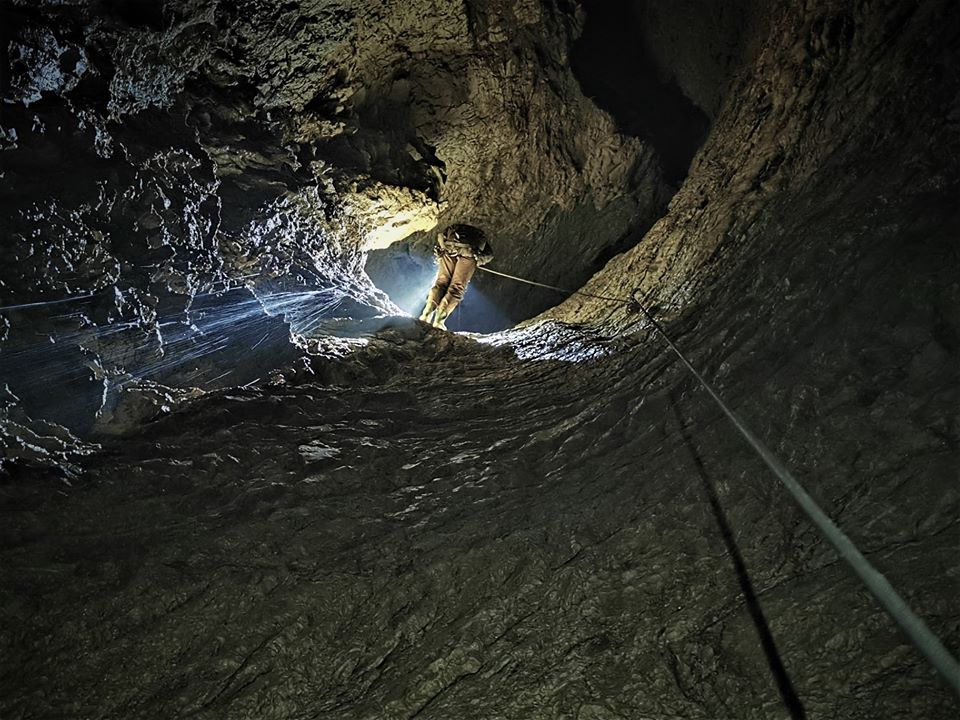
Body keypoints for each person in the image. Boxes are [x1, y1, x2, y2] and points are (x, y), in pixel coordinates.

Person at [419, 224, 494, 330]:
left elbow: (442, 236)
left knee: (441, 282)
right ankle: (439, 321)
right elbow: (488, 255)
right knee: (457, 287)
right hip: (469, 252)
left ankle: (426, 314)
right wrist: (477, 259)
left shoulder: (456, 229)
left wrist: (442, 253)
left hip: (449, 246)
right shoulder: (480, 239)